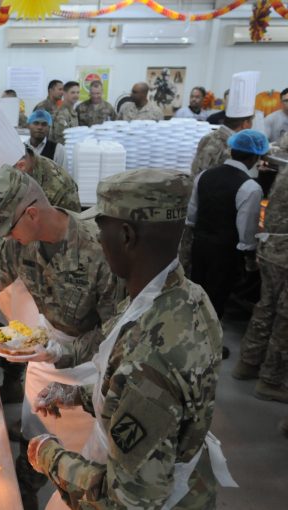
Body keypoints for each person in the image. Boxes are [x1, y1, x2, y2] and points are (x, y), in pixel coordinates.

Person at [27, 169, 226, 510]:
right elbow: (151, 403)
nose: (95, 237)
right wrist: (80, 394)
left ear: (126, 235)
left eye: (100, 227)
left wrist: (49, 456)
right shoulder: (184, 296)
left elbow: (129, 501)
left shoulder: (147, 358)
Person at [0, 166, 121, 509]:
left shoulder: (98, 249)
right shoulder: (18, 242)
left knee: (81, 462)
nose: (7, 238)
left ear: (32, 213)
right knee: (36, 437)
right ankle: (25, 490)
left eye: (9, 229)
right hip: (43, 356)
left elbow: (115, 330)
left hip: (89, 368)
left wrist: (65, 352)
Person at [187, 130, 268, 320]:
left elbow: (191, 215)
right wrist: (250, 261)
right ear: (256, 156)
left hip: (199, 245)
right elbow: (246, 234)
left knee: (195, 294)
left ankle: (192, 339)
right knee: (215, 301)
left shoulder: (204, 176)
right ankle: (210, 345)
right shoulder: (250, 188)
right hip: (225, 253)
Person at [232, 164, 288, 403]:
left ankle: (247, 363)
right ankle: (270, 381)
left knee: (266, 307)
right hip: (284, 253)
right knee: (284, 319)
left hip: (271, 248)